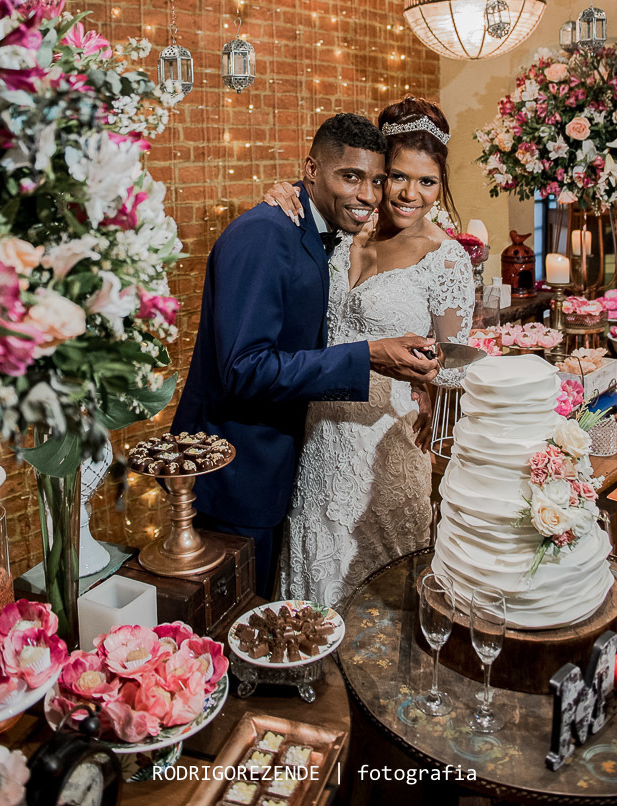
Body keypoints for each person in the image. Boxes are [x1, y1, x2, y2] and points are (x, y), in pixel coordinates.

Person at [172, 112, 439, 597]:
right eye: (351, 177)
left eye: (377, 180)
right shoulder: (262, 235)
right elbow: (243, 369)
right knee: (237, 618)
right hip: (239, 468)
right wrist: (366, 356)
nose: (368, 195)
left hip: (301, 463)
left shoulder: (331, 230)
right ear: (311, 170)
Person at [266, 97, 474, 608]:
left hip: (386, 442)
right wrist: (285, 191)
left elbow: (455, 362)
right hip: (319, 438)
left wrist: (428, 378)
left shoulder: (446, 260)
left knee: (378, 597)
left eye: (427, 182)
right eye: (397, 177)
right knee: (313, 577)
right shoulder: (343, 233)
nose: (410, 194)